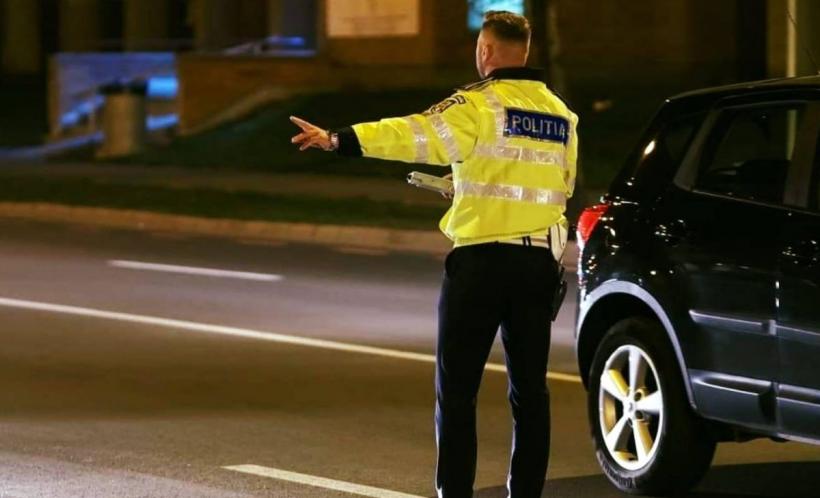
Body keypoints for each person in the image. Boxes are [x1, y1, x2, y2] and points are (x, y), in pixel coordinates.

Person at [290, 10, 578, 498]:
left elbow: (413, 134)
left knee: (457, 391)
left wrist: (339, 139)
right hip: (537, 268)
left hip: (481, 265)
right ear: (526, 52)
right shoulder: (561, 115)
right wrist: (465, 184)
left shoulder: (478, 104)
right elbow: (556, 187)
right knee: (531, 393)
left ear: (486, 50)